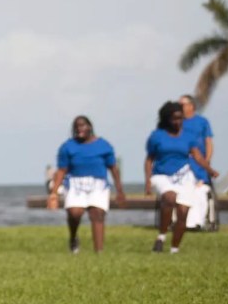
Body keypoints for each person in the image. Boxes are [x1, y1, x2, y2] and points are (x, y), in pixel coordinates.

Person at [145, 101, 216, 253]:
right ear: (167, 119)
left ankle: (174, 249)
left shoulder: (188, 136)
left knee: (183, 212)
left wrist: (209, 170)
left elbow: (197, 156)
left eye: (180, 118)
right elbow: (149, 159)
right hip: (162, 175)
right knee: (169, 198)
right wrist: (147, 181)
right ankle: (162, 236)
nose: (178, 122)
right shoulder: (157, 136)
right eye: (174, 119)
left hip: (184, 176)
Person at [47, 116, 127, 253]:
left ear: (90, 126)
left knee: (97, 214)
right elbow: (62, 170)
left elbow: (113, 168)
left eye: (83, 125)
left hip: (98, 184)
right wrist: (54, 193)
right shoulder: (68, 147)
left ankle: (99, 251)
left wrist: (120, 190)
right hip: (75, 183)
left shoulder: (103, 146)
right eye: (76, 127)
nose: (79, 129)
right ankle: (73, 237)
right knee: (75, 213)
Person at [180, 94, 216, 229]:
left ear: (191, 106)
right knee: (184, 192)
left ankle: (196, 223)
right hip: (182, 168)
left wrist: (206, 162)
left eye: (182, 105)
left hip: (200, 167)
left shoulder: (202, 122)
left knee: (200, 192)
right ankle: (185, 223)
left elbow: (208, 143)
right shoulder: (176, 123)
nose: (179, 108)